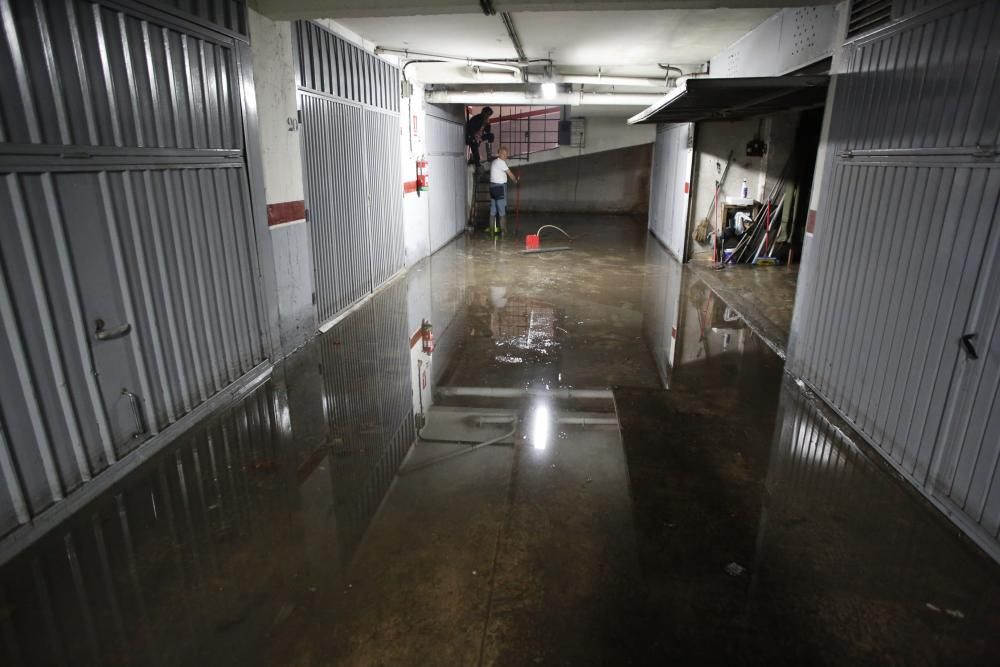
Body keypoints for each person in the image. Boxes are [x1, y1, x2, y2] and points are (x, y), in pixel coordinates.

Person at [489, 147, 519, 235]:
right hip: (500, 188)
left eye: (506, 154)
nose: (506, 156)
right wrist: (516, 181)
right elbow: (510, 174)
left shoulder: (494, 162)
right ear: (499, 154)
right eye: (504, 154)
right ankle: (503, 231)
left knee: (493, 209)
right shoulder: (501, 163)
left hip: (492, 187)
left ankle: (491, 230)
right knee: (502, 209)